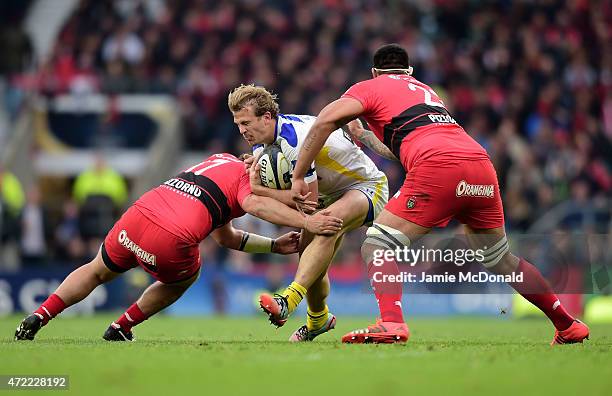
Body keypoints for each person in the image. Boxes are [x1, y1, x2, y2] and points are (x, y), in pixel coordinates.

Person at [290, 43, 589, 345]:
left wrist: (300, 174)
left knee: (377, 244)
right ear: (409, 71)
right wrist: (362, 135)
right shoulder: (427, 92)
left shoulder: (368, 87)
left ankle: (392, 324)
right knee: (500, 258)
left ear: (374, 72)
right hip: (479, 163)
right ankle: (567, 325)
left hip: (438, 166)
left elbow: (324, 120)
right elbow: (404, 150)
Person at [14, 153, 342, 342]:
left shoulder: (219, 159)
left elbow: (226, 237)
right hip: (171, 236)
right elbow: (254, 204)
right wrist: (305, 223)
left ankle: (40, 315)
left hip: (138, 214)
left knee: (96, 269)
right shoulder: (248, 187)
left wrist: (273, 246)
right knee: (184, 278)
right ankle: (120, 327)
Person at [228, 84, 389, 341]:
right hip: (329, 195)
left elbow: (309, 206)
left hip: (366, 186)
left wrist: (262, 190)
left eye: (246, 122)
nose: (242, 130)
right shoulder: (262, 146)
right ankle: (318, 319)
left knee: (324, 224)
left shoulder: (296, 139)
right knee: (311, 262)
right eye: (238, 123)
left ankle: (288, 300)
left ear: (267, 117)